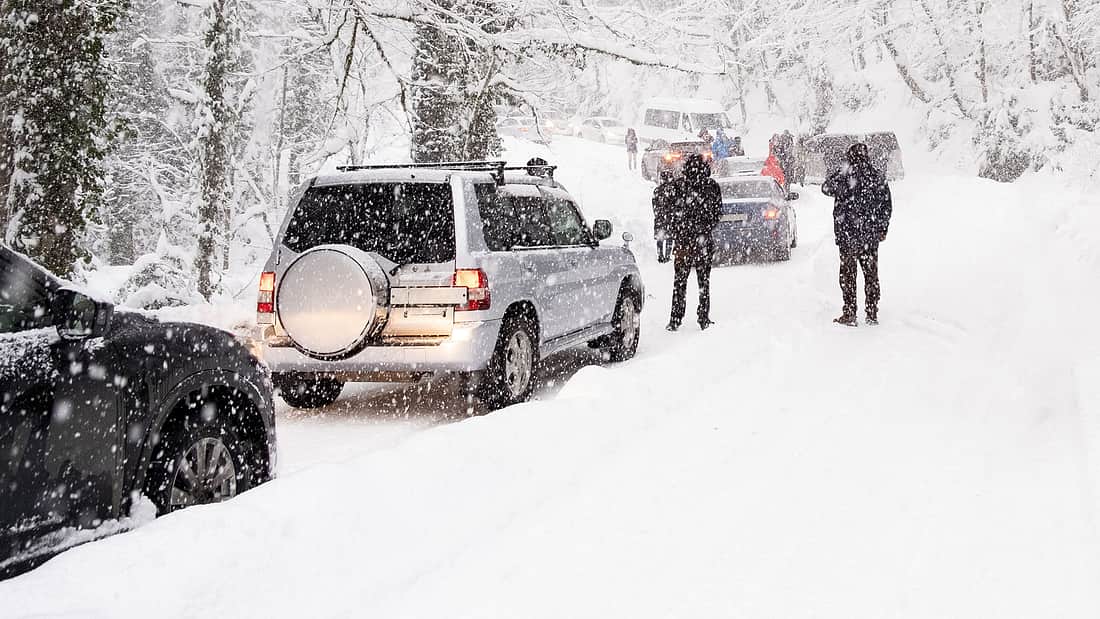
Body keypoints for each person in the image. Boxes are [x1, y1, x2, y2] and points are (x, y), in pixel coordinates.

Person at [822, 143, 893, 326]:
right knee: (871, 274)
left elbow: (826, 188)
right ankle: (872, 312)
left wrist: (842, 170)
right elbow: (886, 205)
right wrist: (882, 228)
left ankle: (850, 313)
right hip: (869, 236)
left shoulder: (844, 176)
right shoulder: (876, 176)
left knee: (848, 275)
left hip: (847, 235)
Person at [666, 153, 721, 331]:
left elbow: (670, 212)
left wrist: (679, 230)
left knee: (679, 281)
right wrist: (704, 228)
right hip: (703, 241)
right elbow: (717, 213)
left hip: (683, 242)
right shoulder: (711, 186)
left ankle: (675, 318)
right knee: (703, 281)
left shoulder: (679, 186)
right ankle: (703, 317)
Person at [652, 168, 677, 263]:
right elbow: (675, 204)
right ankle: (667, 255)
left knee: (660, 238)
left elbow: (654, 205)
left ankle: (660, 255)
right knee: (669, 238)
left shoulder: (657, 191)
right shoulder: (673, 191)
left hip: (660, 218)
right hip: (670, 218)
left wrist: (658, 214)